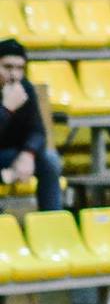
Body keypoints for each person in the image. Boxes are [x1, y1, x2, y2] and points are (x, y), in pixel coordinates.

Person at [0, 39, 63, 212]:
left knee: (50, 161)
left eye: (20, 68)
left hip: (10, 154)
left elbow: (37, 130)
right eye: (7, 67)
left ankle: (51, 220)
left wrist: (28, 154)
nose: (14, 75)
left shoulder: (25, 88)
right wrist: (6, 109)